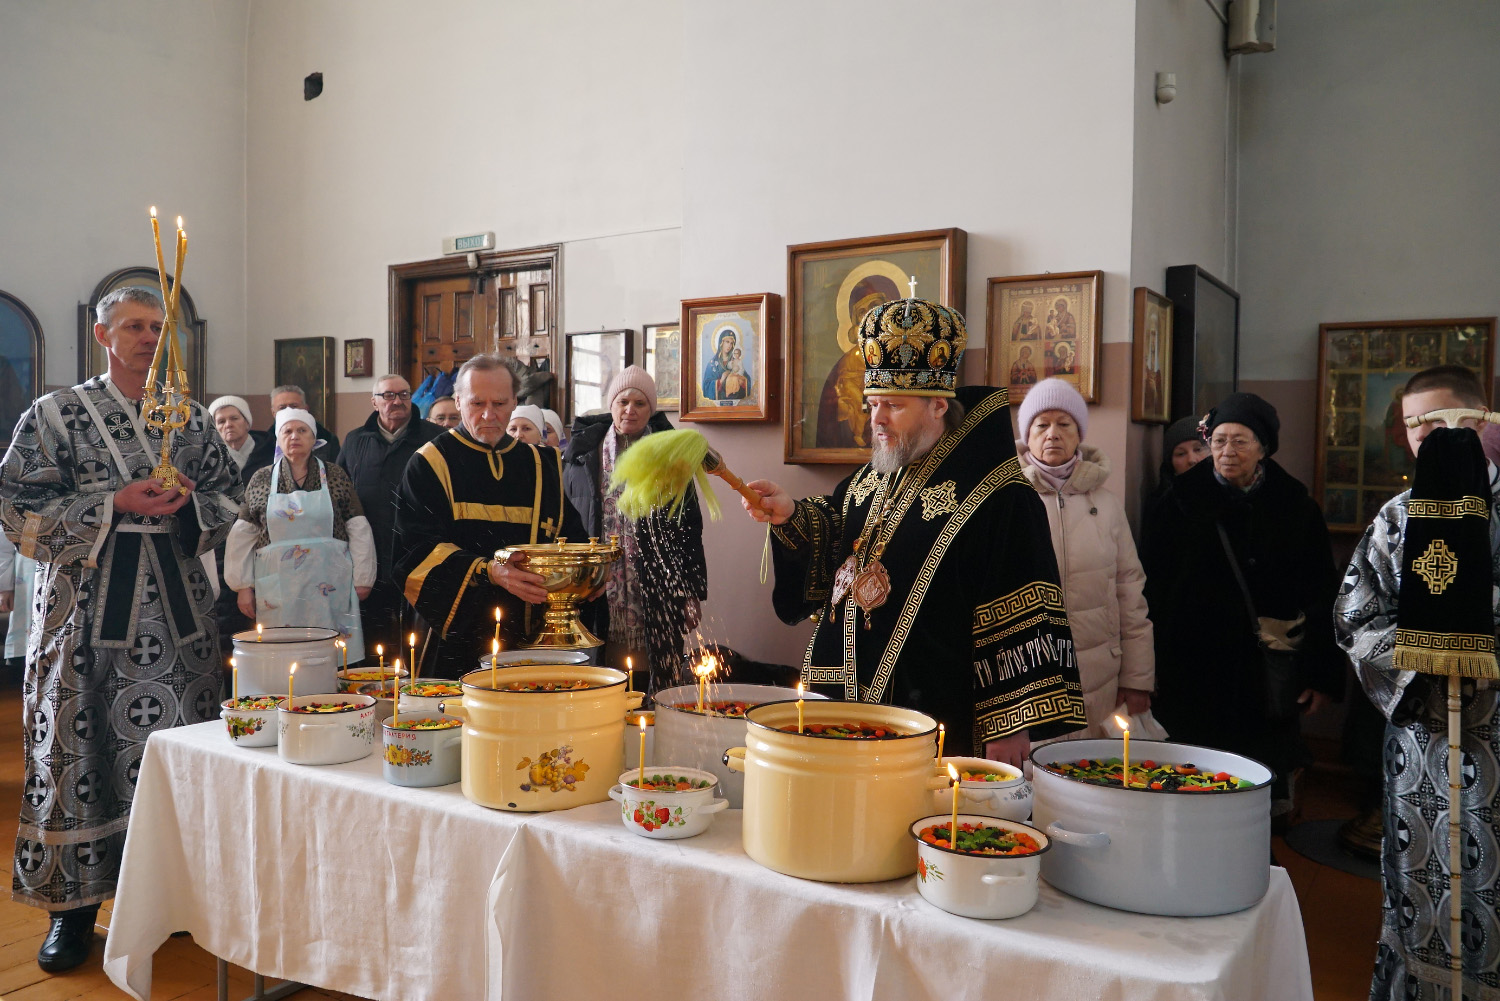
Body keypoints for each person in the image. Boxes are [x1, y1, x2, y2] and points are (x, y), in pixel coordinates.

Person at [0, 286, 242, 971]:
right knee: (76, 751)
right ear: (104, 336)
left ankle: (177, 900)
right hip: (82, 618)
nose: (148, 338)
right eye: (134, 326)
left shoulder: (191, 419)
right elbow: (15, 504)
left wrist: (191, 505)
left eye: (158, 327)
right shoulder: (55, 414)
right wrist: (113, 502)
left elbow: (233, 494)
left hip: (179, 623)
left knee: (180, 751)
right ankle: (72, 912)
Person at [743, 296, 1085, 761]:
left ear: (938, 405)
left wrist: (1010, 724)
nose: (877, 419)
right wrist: (791, 515)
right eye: (872, 404)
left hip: (938, 713)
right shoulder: (872, 478)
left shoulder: (1000, 496)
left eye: (893, 405)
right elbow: (838, 535)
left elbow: (1019, 613)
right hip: (846, 707)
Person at [1335, 365, 1500, 1001]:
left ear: (1481, 423)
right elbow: (1354, 617)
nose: (1427, 437)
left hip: (1496, 736)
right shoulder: (1396, 520)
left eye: (1442, 421)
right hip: (1422, 744)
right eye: (1414, 426)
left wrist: (1479, 639)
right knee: (1419, 890)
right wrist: (1424, 656)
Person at [1141, 392, 1341, 816]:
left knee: (1256, 789)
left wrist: (1320, 672)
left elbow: (1322, 591)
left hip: (1264, 671)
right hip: (1191, 671)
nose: (1227, 451)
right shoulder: (1176, 504)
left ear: (1263, 448)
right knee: (1191, 784)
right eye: (1218, 441)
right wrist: (1147, 666)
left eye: (1240, 441)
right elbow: (1151, 591)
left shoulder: (1295, 507)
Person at [393, 354, 585, 678]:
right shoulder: (430, 463)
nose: (488, 414)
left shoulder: (541, 465)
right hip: (452, 635)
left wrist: (588, 575)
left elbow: (571, 539)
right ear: (458, 401)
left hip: (531, 633)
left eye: (499, 403)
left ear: (515, 402)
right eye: (477, 403)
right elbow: (412, 554)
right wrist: (489, 571)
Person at [1016, 379, 1153, 737]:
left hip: (1098, 674)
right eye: (1041, 425)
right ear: (1027, 435)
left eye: (1065, 424)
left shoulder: (1106, 504)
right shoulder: (1007, 499)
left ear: (1079, 434)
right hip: (1029, 673)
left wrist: (1137, 678)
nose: (1053, 434)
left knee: (1089, 765)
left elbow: (1130, 592)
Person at [564, 366, 707, 694]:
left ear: (651, 410)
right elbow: (567, 523)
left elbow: (689, 529)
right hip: (597, 585)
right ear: (611, 405)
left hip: (656, 582)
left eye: (640, 403)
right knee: (598, 675)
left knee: (657, 674)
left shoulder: (670, 459)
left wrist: (691, 592)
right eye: (623, 402)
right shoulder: (581, 457)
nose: (630, 410)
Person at [225, 408, 374, 661]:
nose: (294, 436)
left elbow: (357, 526)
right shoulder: (262, 479)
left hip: (330, 584)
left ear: (313, 438)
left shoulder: (335, 475)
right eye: (288, 431)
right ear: (279, 439)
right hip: (279, 587)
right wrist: (242, 586)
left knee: (330, 656)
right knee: (283, 656)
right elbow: (243, 535)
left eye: (302, 430)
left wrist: (363, 578)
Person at [336, 374, 441, 658]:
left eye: (404, 395)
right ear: (374, 402)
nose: (397, 401)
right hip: (370, 552)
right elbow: (340, 495)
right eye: (388, 395)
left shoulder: (434, 438)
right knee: (375, 636)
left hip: (417, 550)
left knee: (416, 637)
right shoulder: (355, 440)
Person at [207, 395, 271, 657]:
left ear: (247, 421)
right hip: (224, 547)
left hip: (266, 546)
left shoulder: (271, 454)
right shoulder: (210, 460)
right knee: (230, 620)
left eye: (234, 418)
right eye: (220, 421)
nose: (228, 425)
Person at [248, 384, 340, 467]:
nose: (288, 411)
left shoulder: (328, 439)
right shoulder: (264, 444)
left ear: (306, 409)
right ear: (273, 413)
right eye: (282, 408)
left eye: (294, 406)